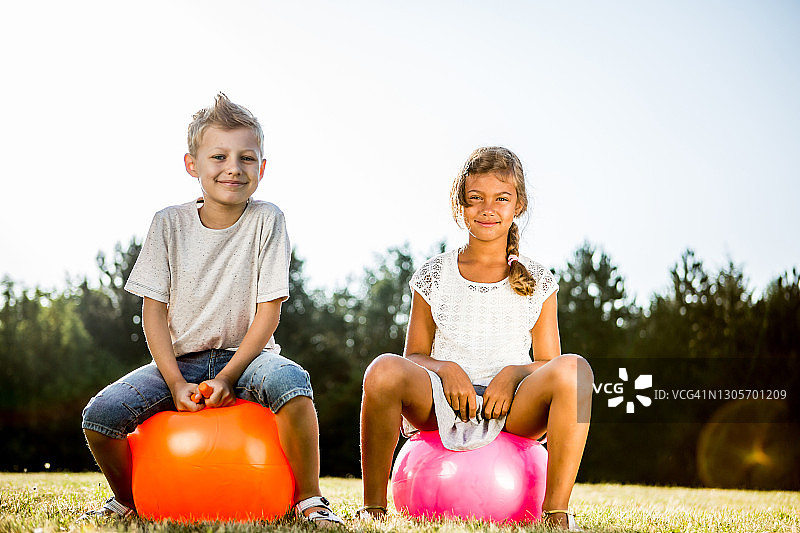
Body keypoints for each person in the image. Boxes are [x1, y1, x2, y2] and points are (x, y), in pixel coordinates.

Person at [80, 93, 342, 526]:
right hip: (180, 361)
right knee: (100, 417)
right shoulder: (167, 223)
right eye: (218, 156)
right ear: (192, 164)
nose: (233, 168)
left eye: (247, 158)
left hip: (250, 358)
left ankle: (310, 498)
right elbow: (153, 314)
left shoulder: (268, 220)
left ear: (262, 167)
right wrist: (176, 382)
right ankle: (130, 499)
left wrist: (227, 376)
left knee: (293, 383)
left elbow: (269, 310)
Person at [359, 146, 593, 530]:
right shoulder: (434, 273)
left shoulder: (538, 280)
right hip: (440, 400)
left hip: (513, 407)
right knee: (383, 369)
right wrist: (447, 369)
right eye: (475, 199)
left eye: (501, 198)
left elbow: (550, 365)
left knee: (576, 370)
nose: (488, 209)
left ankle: (556, 513)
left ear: (518, 206)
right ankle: (373, 507)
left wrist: (514, 374)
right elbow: (413, 356)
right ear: (460, 206)